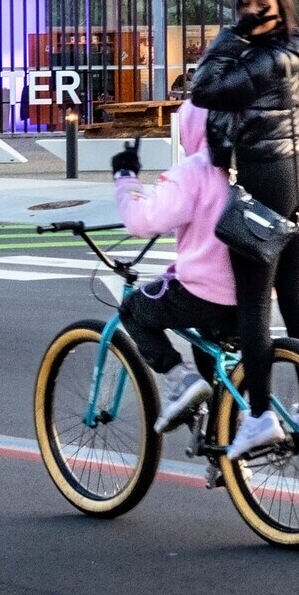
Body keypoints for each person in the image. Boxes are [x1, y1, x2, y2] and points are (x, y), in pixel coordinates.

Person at [188, 0, 299, 459]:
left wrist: (234, 35)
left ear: (279, 10)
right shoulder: (294, 48)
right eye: (243, 3)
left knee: (254, 305)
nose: (248, 10)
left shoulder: (265, 58)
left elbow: (202, 88)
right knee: (293, 294)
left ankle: (258, 417)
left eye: (260, 4)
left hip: (266, 177)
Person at [113, 104, 236, 433]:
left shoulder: (195, 169)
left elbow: (143, 220)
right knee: (211, 348)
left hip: (205, 292)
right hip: (253, 294)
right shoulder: (251, 164)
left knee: (134, 308)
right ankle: (223, 443)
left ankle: (179, 379)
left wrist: (125, 180)